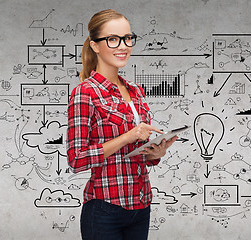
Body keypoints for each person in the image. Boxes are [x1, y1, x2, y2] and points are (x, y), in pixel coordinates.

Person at [66, 9, 177, 240]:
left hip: (140, 204)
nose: (123, 46)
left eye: (127, 38)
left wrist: (155, 152)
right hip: (105, 207)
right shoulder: (85, 93)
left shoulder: (135, 91)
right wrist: (128, 136)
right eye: (113, 39)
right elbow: (76, 159)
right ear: (95, 45)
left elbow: (133, 153)